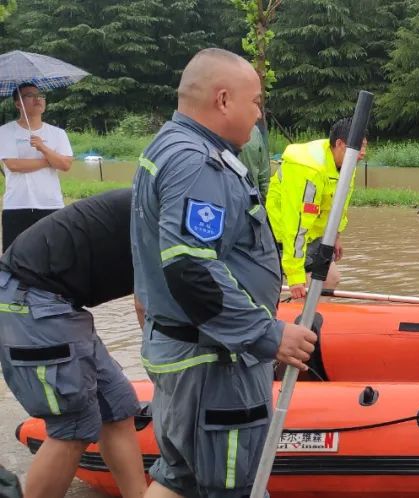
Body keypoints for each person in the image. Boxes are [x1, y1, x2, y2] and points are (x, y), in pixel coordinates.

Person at [130, 48, 317, 498]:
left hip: (181, 351)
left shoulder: (168, 148)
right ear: (223, 99)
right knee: (234, 486)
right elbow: (191, 269)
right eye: (255, 102)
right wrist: (268, 334)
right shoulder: (198, 163)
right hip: (214, 365)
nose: (258, 115)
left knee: (180, 479)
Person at [0, 189, 145, 498]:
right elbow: (147, 305)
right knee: (74, 424)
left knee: (117, 406)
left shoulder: (164, 199)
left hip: (57, 301)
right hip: (30, 298)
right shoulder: (170, 214)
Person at [265, 118, 366, 300]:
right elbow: (295, 226)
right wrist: (295, 276)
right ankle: (291, 319)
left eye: (365, 147)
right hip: (282, 234)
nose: (363, 153)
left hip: (313, 234)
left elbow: (340, 204)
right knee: (303, 283)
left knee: (331, 278)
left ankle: (312, 318)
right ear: (340, 144)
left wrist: (336, 235)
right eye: (360, 147)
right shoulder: (309, 170)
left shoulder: (347, 163)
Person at [0, 83, 73, 249]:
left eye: (40, 95)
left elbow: (65, 164)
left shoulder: (57, 133)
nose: (37, 99)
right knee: (15, 257)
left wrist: (43, 148)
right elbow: (14, 165)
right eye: (29, 96)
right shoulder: (5, 131)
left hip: (51, 204)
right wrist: (50, 160)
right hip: (17, 205)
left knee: (54, 256)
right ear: (18, 104)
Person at [238, 122, 271, 198]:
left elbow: (263, 170)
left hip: (253, 197)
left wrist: (264, 198)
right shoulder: (216, 129)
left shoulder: (255, 131)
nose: (258, 114)